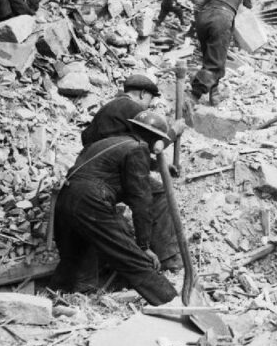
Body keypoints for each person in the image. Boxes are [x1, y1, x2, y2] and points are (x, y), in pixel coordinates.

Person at [52, 111, 183, 305]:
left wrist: (155, 166)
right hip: (91, 200)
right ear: (155, 138)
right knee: (133, 259)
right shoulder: (137, 149)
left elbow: (117, 164)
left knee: (75, 257)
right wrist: (145, 246)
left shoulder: (106, 143)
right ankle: (171, 303)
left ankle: (65, 299)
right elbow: (141, 200)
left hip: (65, 197)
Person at [80, 73, 183, 271]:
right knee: (159, 195)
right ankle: (167, 257)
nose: (149, 107)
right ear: (143, 93)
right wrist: (173, 132)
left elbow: (127, 149)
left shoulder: (107, 110)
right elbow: (154, 146)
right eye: (150, 100)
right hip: (115, 176)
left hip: (95, 172)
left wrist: (158, 167)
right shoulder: (133, 108)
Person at [190, 0, 253, 106]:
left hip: (203, 19)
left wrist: (198, 24)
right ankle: (193, 96)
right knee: (215, 63)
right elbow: (249, 4)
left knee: (210, 57)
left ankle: (214, 93)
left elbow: (198, 5)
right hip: (222, 19)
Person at [81, 74, 160, 147]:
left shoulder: (110, 105)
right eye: (151, 98)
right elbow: (151, 144)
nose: (150, 104)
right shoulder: (133, 108)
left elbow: (85, 136)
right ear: (143, 93)